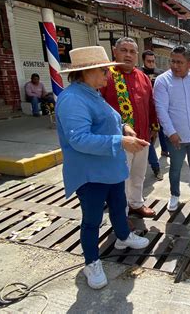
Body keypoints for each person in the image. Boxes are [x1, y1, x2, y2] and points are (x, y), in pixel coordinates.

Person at [56, 46, 150, 289]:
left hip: (110, 169)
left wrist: (123, 128)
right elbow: (79, 139)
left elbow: (106, 122)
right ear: (86, 72)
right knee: (92, 220)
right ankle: (91, 262)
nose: (109, 75)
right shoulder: (72, 99)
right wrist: (121, 141)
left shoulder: (92, 92)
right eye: (104, 70)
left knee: (119, 207)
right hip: (91, 174)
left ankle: (123, 237)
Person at [100, 37, 158, 218]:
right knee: (121, 180)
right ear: (114, 51)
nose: (128, 55)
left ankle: (136, 204)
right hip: (119, 140)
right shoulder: (106, 75)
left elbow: (150, 103)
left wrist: (154, 126)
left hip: (142, 137)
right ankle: (121, 215)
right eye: (124, 50)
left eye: (132, 52)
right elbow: (99, 107)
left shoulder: (142, 76)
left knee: (138, 175)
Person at [154, 45, 190, 211]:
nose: (175, 66)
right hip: (176, 137)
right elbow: (161, 109)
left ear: (189, 63)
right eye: (173, 61)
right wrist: (171, 132)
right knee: (175, 168)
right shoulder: (163, 81)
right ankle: (174, 195)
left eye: (180, 62)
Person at [141, 50, 167, 181]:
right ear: (143, 61)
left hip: (158, 110)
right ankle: (156, 167)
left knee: (162, 132)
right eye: (148, 61)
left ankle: (164, 152)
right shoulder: (139, 74)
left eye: (153, 61)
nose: (151, 64)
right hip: (142, 112)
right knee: (148, 142)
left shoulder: (160, 73)